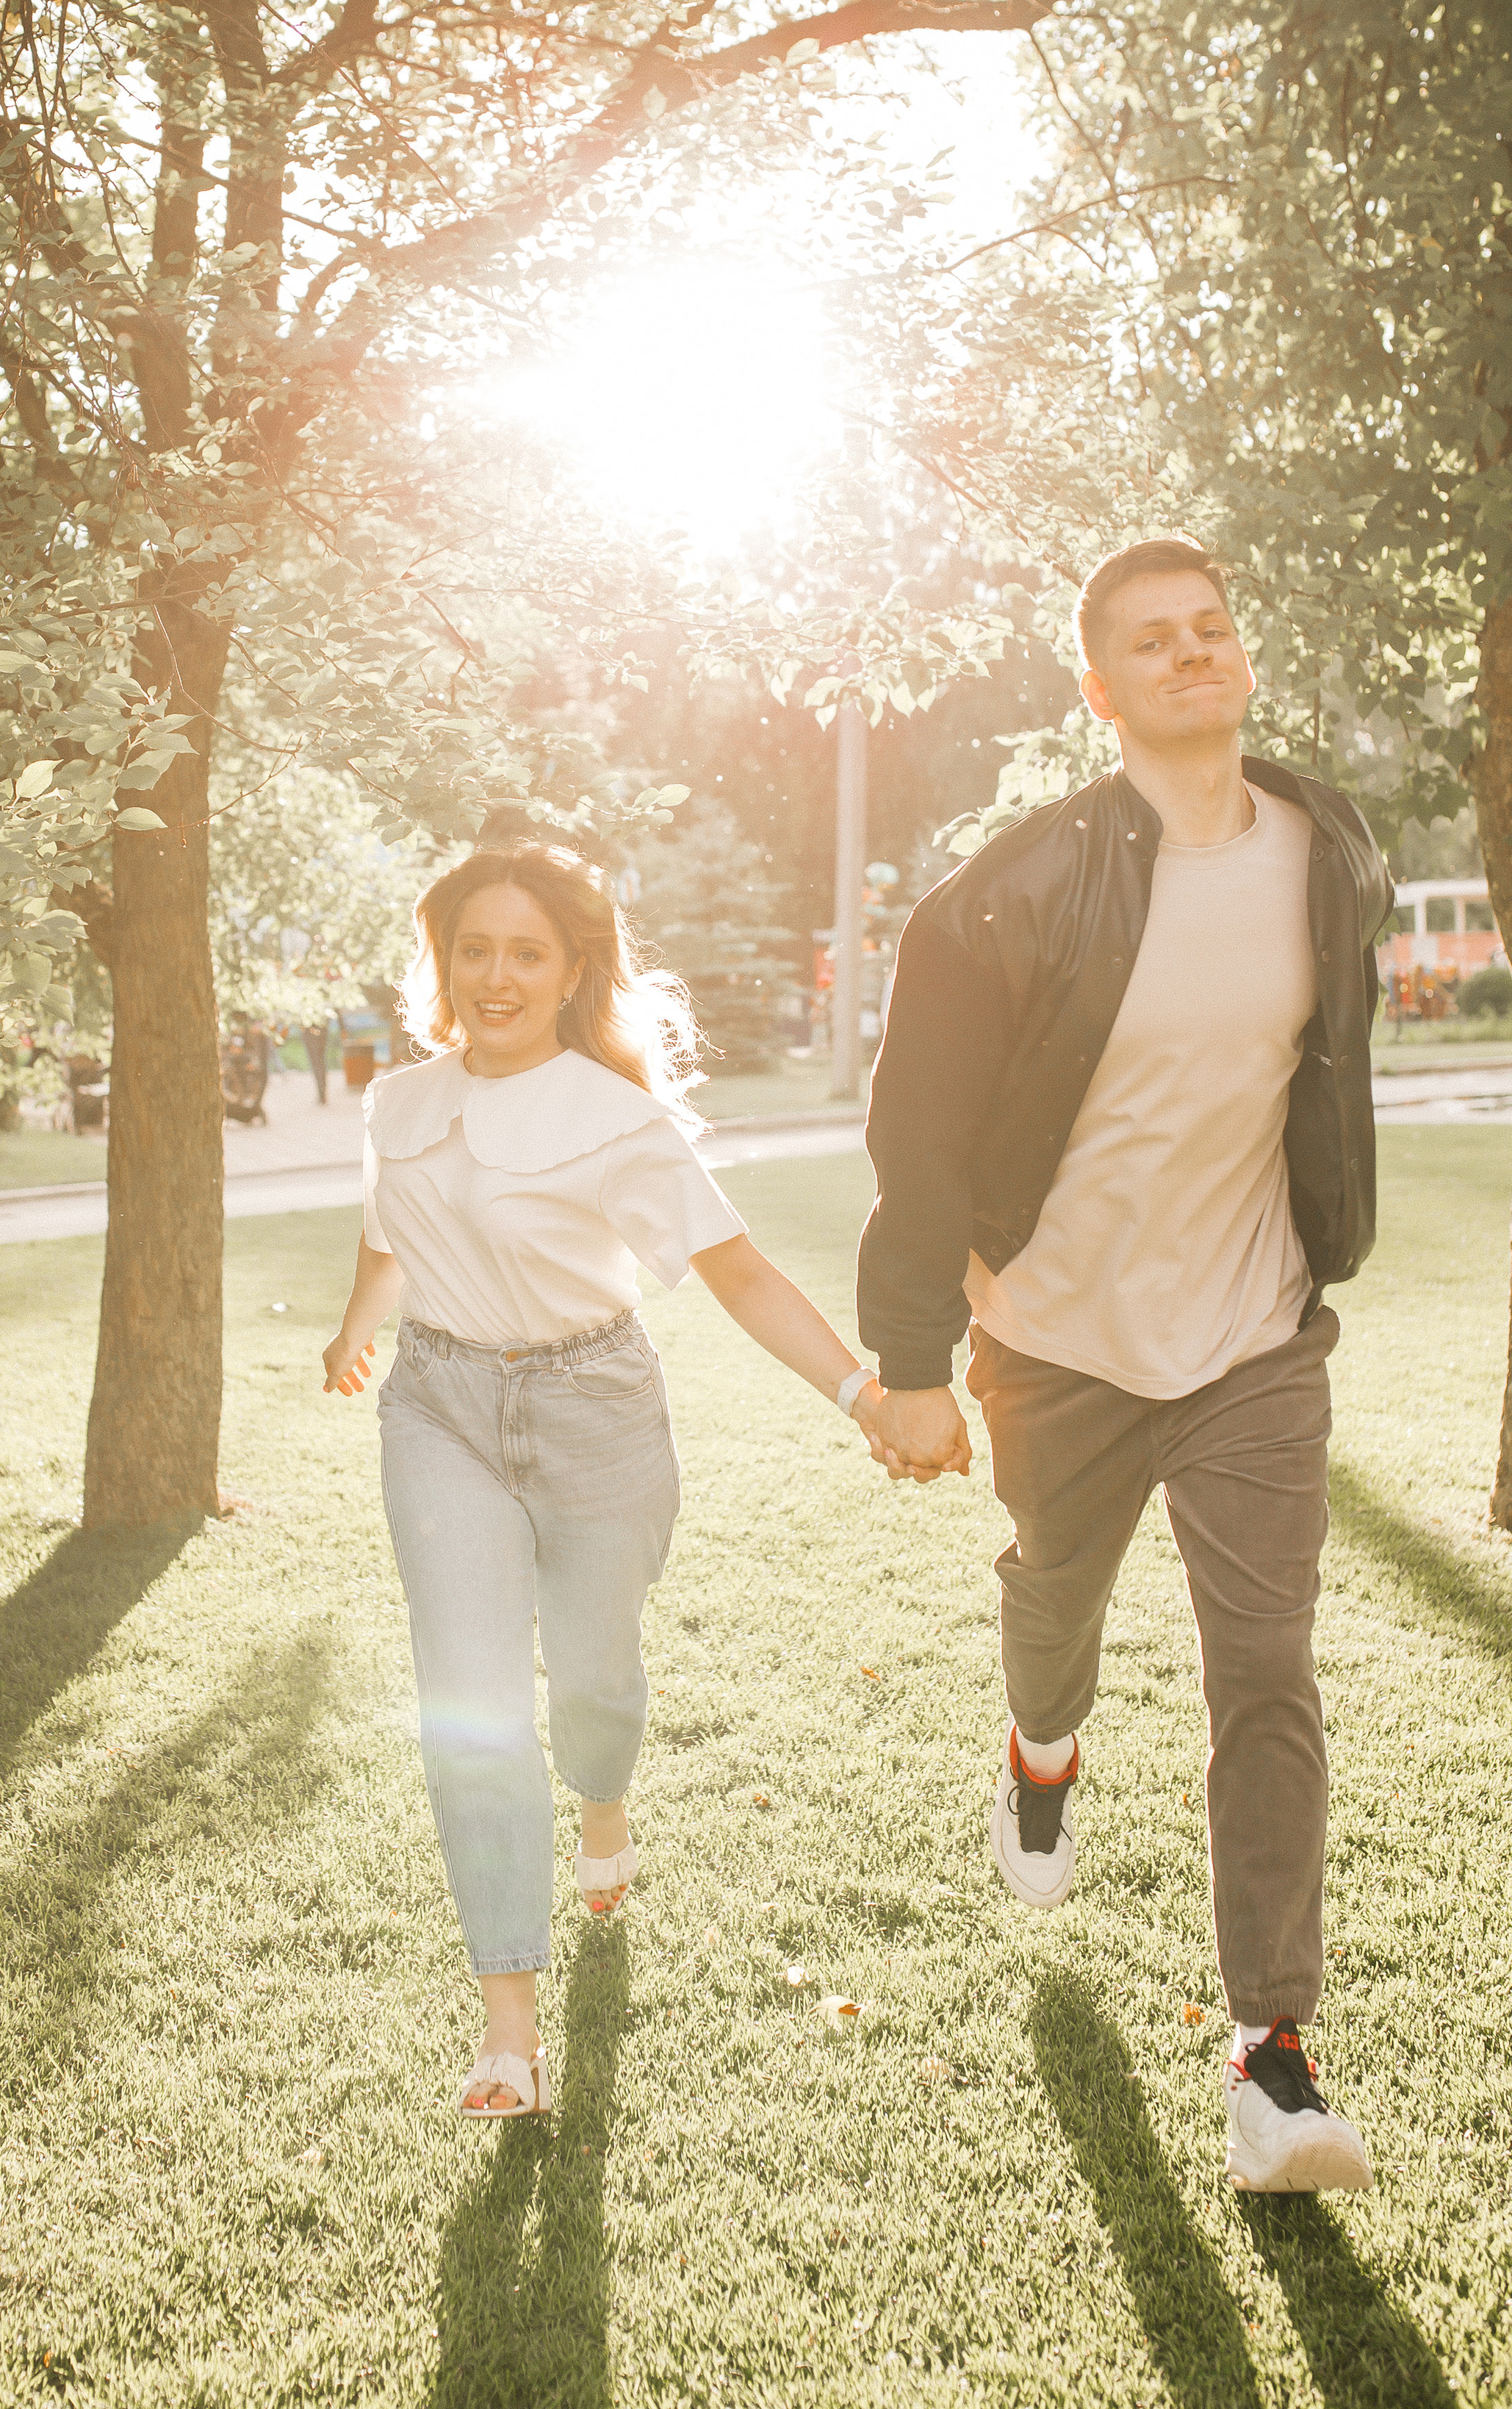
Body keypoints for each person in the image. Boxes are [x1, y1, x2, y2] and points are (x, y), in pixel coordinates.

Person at [857, 538, 1392, 2196]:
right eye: (1149, 643)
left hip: (1250, 1333)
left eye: (1209, 630)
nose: (1189, 655)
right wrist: (910, 1358)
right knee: (1052, 1602)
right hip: (1057, 1337)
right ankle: (1037, 1756)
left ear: (1241, 659)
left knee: (1265, 1669)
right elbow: (919, 1134)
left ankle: (1271, 2064)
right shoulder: (1006, 892)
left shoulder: (1329, 849)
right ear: (1096, 694)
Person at [322, 844, 890, 2119]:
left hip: (595, 1411)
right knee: (469, 1700)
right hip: (441, 1411)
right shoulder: (399, 1103)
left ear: (573, 970)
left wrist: (857, 1394)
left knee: (591, 1681)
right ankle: (508, 2033)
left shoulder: (615, 1120)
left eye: (528, 952)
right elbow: (388, 1232)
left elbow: (741, 1274)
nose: (498, 975)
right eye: (476, 948)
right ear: (445, 962)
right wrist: (358, 1325)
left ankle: (607, 1804)